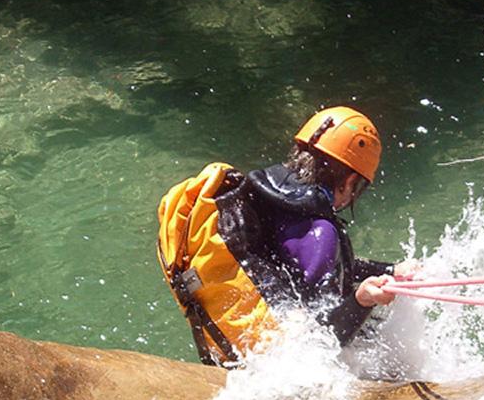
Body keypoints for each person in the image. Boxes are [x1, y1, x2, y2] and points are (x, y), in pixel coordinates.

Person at [157, 105, 416, 366]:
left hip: (226, 344)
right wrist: (362, 300)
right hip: (280, 365)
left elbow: (316, 264)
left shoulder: (264, 198)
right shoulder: (320, 234)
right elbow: (324, 340)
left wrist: (393, 270)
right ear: (349, 181)